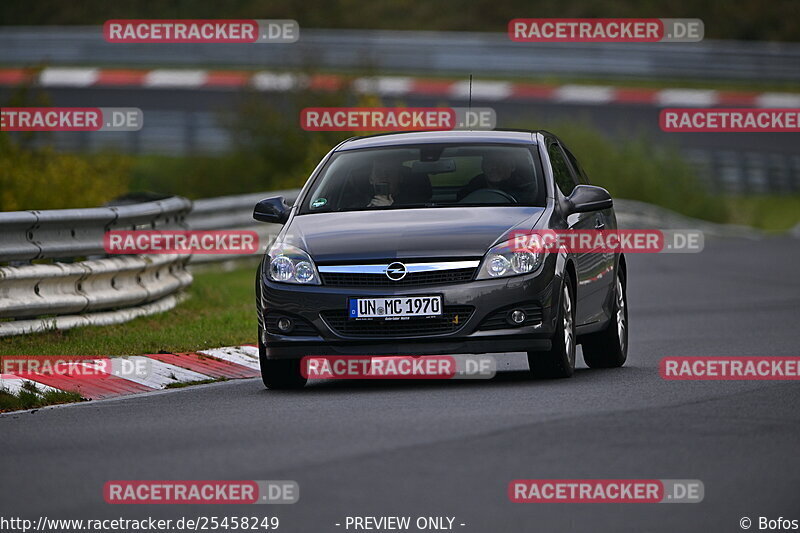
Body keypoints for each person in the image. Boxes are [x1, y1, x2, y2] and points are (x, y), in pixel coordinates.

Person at [457, 153, 533, 202]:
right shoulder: (473, 186)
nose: (494, 167)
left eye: (500, 163)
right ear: (482, 167)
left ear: (512, 167)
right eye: (489, 163)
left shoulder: (526, 189)